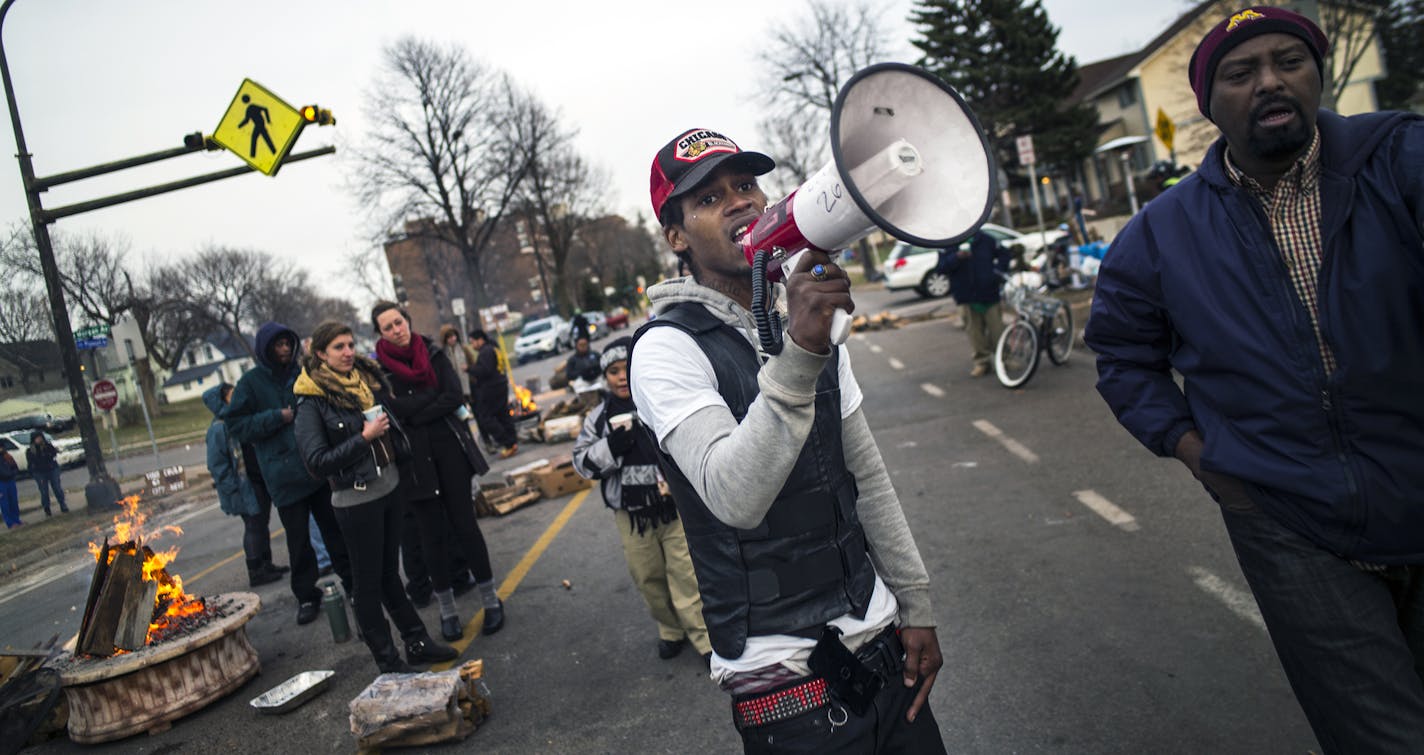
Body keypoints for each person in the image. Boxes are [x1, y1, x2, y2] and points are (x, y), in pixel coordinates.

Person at [1083, 7, 1424, 752]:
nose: (1270, 81)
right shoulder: (1159, 234)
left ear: (1318, 75)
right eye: (1241, 73)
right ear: (1210, 103)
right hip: (1289, 522)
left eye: (1289, 61)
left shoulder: (1398, 159)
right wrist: (1195, 450)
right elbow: (1122, 357)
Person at [631, 128, 944, 753]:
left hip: (883, 648)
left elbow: (866, 475)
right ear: (677, 236)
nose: (740, 201)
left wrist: (916, 602)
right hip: (787, 694)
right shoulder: (666, 349)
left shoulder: (803, 312)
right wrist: (801, 351)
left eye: (746, 184)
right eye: (710, 198)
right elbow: (734, 496)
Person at [292, 320, 459, 674]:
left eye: (351, 344)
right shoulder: (311, 401)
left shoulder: (363, 383)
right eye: (338, 347)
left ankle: (416, 642)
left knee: (389, 576)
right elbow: (316, 463)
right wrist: (364, 438)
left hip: (389, 489)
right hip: (356, 502)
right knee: (367, 584)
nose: (349, 352)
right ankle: (388, 660)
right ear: (320, 354)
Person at [572, 336, 711, 662]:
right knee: (648, 578)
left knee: (687, 576)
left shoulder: (658, 399)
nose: (622, 377)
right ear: (605, 377)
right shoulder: (599, 418)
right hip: (631, 516)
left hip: (673, 509)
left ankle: (704, 638)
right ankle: (670, 630)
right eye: (613, 371)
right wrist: (610, 448)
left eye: (627, 368)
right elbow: (581, 462)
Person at [372, 302, 505, 642]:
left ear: (407, 321)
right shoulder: (378, 372)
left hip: (449, 453)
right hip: (412, 464)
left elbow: (451, 396)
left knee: (465, 527)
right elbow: (390, 410)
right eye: (387, 327)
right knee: (430, 537)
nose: (395, 330)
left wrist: (413, 412)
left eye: (398, 322)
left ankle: (491, 601)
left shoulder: (432, 353)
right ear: (380, 333)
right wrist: (422, 405)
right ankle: (448, 613)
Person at [227, 322, 353, 625]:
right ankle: (307, 596)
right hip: (283, 479)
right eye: (277, 345)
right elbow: (236, 425)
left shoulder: (302, 374)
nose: (284, 350)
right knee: (298, 543)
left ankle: (352, 584)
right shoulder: (250, 383)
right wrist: (276, 417)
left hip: (318, 470)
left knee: (337, 533)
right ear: (265, 350)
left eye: (287, 344)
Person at [204, 383, 287, 587]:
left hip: (257, 480)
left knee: (261, 522)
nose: (239, 396)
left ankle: (266, 564)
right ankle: (255, 571)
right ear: (223, 399)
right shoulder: (219, 428)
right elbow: (217, 464)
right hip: (243, 486)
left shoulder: (240, 419)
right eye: (233, 394)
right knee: (253, 525)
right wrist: (232, 488)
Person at [940, 231, 1012, 377]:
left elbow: (1005, 254)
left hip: (989, 293)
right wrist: (956, 257)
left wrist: (997, 272)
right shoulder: (948, 242)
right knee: (975, 333)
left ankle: (1004, 359)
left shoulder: (986, 239)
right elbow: (941, 267)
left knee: (997, 329)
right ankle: (982, 362)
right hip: (966, 296)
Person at [466, 329, 519, 458]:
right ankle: (512, 442)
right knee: (503, 414)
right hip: (500, 385)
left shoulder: (486, 352)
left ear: (480, 340)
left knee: (486, 418)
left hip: (491, 389)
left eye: (473, 342)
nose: (472, 346)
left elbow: (485, 371)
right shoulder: (493, 348)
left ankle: (507, 442)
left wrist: (469, 369)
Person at [25, 431, 67, 516]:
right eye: (37, 438)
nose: (39, 439)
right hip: (39, 472)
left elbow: (53, 454)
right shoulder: (30, 450)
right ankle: (46, 508)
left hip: (51, 469)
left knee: (57, 488)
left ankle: (62, 504)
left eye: (40, 437)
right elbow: (31, 462)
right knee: (44, 491)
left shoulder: (47, 446)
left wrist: (48, 451)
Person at [439, 323, 475, 403]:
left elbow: (472, 362)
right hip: (454, 387)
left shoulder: (464, 348)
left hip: (469, 384)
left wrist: (468, 369)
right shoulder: (443, 354)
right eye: (449, 337)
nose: (452, 339)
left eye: (453, 336)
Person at [0, 446, 20, 529]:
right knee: (5, 504)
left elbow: (15, 466)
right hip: (1, 483)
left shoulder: (7, 456)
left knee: (13, 501)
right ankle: (10, 523)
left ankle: (17, 520)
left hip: (10, 480)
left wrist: (12, 474)